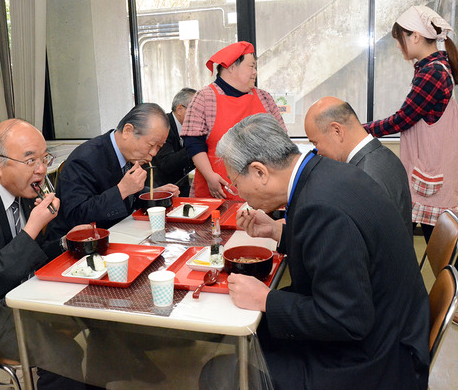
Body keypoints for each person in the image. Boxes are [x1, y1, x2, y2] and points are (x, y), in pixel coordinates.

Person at [203, 113, 429, 390]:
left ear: (260, 172)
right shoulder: (326, 172)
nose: (239, 194)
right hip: (389, 325)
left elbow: (347, 320)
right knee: (257, 327)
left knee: (219, 373)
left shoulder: (321, 208)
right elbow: (338, 249)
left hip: (375, 360)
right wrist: (278, 232)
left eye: (237, 183)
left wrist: (266, 299)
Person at [0, 119, 96, 390]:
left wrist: (65, 241)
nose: (42, 169)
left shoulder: (22, 189)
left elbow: (30, 256)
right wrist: (33, 228)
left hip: (20, 294)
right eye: (30, 161)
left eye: (44, 158)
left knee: (99, 315)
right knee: (64, 355)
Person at [363, 5, 458, 243]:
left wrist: (360, 130)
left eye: (400, 39)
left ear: (415, 36)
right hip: (429, 172)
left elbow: (403, 119)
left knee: (438, 252)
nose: (397, 45)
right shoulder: (434, 68)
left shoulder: (432, 73)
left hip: (432, 174)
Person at [47, 102, 179, 240]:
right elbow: (76, 215)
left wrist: (151, 192)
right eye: (151, 145)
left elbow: (129, 195)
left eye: (159, 147)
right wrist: (122, 190)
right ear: (128, 131)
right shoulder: (85, 159)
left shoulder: (133, 156)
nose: (153, 153)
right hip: (78, 246)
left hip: (119, 233)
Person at [180, 41, 286, 199]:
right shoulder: (204, 97)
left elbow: (281, 139)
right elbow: (193, 143)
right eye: (251, 66)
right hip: (217, 191)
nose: (255, 72)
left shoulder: (264, 97)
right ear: (231, 67)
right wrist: (210, 176)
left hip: (261, 195)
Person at [304, 96, 412, 236]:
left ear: (337, 130)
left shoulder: (364, 178)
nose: (317, 151)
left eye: (315, 143)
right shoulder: (384, 155)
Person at [151, 87, 196, 196]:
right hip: (162, 189)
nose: (200, 116)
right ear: (179, 109)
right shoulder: (163, 126)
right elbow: (166, 163)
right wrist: (194, 146)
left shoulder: (192, 128)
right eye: (196, 110)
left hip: (182, 184)